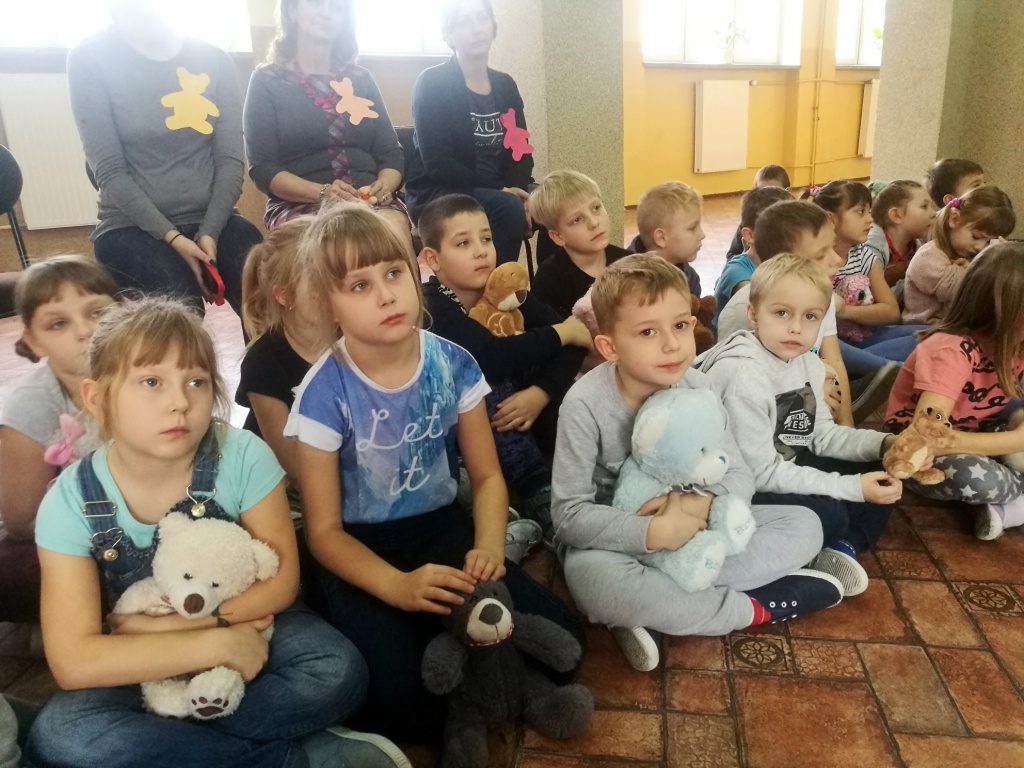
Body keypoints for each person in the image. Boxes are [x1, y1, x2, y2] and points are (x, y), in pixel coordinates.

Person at [24, 297, 410, 768]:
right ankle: (295, 757)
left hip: (254, 624)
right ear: (96, 398)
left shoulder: (242, 454)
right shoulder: (70, 501)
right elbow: (73, 660)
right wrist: (212, 644)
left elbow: (281, 585)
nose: (179, 402)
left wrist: (191, 626)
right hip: (147, 657)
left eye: (196, 381)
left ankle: (177, 747)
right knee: (63, 737)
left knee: (336, 671)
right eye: (151, 382)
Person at [283, 204, 583, 743]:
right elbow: (324, 533)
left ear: (414, 273)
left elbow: (487, 478)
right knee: (406, 707)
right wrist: (396, 586)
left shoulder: (453, 363)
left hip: (441, 528)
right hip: (361, 547)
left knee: (565, 642)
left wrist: (488, 547)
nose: (386, 295)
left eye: (394, 273)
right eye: (359, 285)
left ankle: (463, 658)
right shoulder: (323, 393)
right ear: (327, 304)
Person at [552, 254, 842, 672]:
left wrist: (702, 505)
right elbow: (568, 516)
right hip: (617, 542)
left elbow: (738, 472)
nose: (672, 344)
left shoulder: (698, 385)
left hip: (697, 529)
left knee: (805, 524)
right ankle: (754, 608)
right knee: (595, 582)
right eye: (648, 331)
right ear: (609, 347)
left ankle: (657, 612)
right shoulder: (583, 406)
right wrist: (652, 532)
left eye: (680, 326)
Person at [697, 255, 903, 598]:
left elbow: (821, 435)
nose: (796, 328)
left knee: (882, 469)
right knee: (833, 511)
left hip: (785, 461)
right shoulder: (741, 375)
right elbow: (760, 474)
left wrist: (883, 444)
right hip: (740, 484)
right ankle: (809, 547)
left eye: (810, 317)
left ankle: (841, 549)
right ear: (754, 315)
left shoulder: (807, 362)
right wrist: (852, 488)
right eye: (782, 313)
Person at [67, 0, 261, 321]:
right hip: (131, 227)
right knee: (179, 311)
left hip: (216, 220)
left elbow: (229, 162)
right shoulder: (88, 58)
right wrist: (175, 239)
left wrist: (209, 232)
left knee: (265, 299)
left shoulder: (215, 60)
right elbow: (110, 172)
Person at [418, 194, 591, 544]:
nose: (481, 251)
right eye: (463, 243)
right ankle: (536, 490)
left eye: (486, 238)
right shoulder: (432, 306)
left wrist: (540, 393)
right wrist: (561, 333)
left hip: (525, 409)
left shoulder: (506, 289)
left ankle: (592, 475)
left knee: (577, 392)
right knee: (489, 379)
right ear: (433, 259)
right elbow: (490, 357)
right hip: (458, 423)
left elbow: (578, 341)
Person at [0, 257, 117, 624]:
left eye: (98, 312)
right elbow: (22, 521)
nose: (86, 330)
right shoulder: (31, 406)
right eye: (58, 323)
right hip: (45, 533)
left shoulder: (148, 376)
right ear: (34, 342)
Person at [885, 242, 1024, 541]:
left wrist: (1017, 424)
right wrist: (1011, 441)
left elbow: (1017, 408)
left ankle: (1010, 504)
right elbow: (928, 434)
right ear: (1005, 311)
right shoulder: (952, 349)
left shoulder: (1017, 348)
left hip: (972, 436)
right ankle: (1015, 504)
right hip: (921, 458)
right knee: (977, 478)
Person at [243, 0, 411, 246]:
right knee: (326, 245)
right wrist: (323, 193)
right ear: (292, 10)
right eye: (316, 3)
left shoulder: (361, 78)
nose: (326, 12)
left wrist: (385, 186)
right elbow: (263, 169)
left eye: (336, 6)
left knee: (392, 231)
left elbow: (390, 153)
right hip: (299, 204)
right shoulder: (266, 81)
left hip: (369, 201)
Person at [716, 200, 879, 426]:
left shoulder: (819, 294)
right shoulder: (750, 312)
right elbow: (742, 393)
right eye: (820, 255)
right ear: (784, 263)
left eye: (832, 247)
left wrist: (847, 423)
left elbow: (833, 358)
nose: (837, 260)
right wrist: (809, 391)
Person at [404, 0, 534, 265]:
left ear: (493, 28)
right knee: (507, 206)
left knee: (557, 200)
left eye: (482, 19)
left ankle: (552, 284)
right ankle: (497, 285)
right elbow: (439, 165)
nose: (477, 28)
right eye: (464, 22)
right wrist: (502, 190)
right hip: (442, 190)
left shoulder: (505, 85)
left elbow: (520, 151)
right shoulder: (432, 83)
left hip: (499, 188)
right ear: (448, 35)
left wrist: (520, 190)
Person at [808, 180, 924, 364]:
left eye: (869, 212)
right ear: (831, 219)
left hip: (865, 338)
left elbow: (891, 312)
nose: (870, 219)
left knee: (932, 334)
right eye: (860, 212)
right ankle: (885, 368)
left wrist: (845, 311)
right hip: (830, 345)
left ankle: (876, 366)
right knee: (831, 345)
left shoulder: (863, 255)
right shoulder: (812, 259)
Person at [903, 185, 1015, 325]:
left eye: (988, 242)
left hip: (950, 329)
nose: (980, 247)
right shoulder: (928, 258)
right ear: (955, 219)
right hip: (922, 330)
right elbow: (971, 297)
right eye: (976, 237)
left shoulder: (969, 253)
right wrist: (995, 263)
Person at [529, 170, 630, 318]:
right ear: (558, 237)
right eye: (577, 220)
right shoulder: (549, 280)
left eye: (596, 208)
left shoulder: (629, 263)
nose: (594, 223)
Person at [713, 185, 791, 325]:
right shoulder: (736, 270)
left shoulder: (782, 264)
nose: (791, 240)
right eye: (780, 232)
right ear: (750, 235)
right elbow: (761, 303)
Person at [629, 181, 705, 296]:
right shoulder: (627, 283)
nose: (702, 235)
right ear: (662, 238)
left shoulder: (691, 278)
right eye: (692, 228)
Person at [867, 180, 936, 286]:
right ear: (896, 215)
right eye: (924, 206)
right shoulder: (870, 251)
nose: (933, 213)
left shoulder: (919, 246)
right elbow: (866, 293)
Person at [725, 164, 791, 258]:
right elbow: (731, 256)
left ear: (787, 192)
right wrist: (745, 256)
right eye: (761, 191)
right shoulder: (749, 223)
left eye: (775, 191)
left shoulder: (797, 222)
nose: (767, 196)